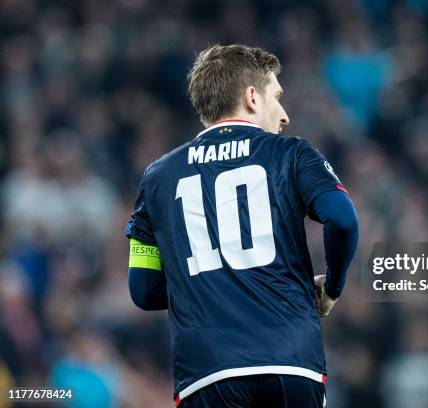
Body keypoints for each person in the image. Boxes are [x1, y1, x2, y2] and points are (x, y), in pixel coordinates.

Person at [124, 44, 359, 408]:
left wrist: (204, 285)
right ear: (252, 97)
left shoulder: (157, 179)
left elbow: (142, 289)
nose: (284, 115)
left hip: (206, 374)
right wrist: (332, 287)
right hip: (291, 363)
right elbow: (343, 219)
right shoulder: (291, 153)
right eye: (276, 97)